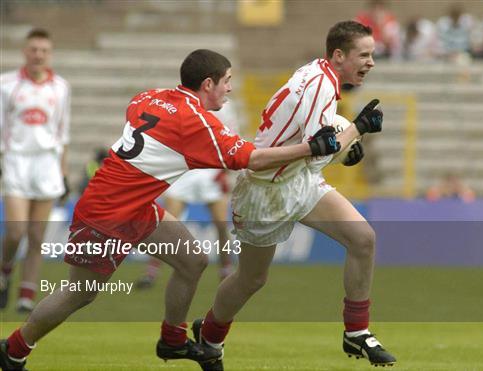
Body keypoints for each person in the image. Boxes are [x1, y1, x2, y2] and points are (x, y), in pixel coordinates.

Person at [0, 49, 341, 371]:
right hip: (108, 210)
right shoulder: (196, 122)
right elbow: (250, 159)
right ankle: (14, 349)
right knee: (80, 293)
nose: (230, 89)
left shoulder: (152, 96)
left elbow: (135, 111)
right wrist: (309, 147)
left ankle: (172, 339)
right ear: (208, 84)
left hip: (135, 205)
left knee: (192, 260)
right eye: (227, 81)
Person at [192, 21, 396, 371]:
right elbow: (320, 149)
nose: (371, 62)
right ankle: (209, 337)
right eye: (364, 55)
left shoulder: (321, 76)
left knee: (363, 239)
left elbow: (320, 141)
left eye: (372, 55)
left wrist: (349, 144)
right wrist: (356, 129)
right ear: (338, 55)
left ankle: (356, 331)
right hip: (265, 191)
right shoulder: (320, 84)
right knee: (251, 279)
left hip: (299, 181)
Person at [0, 28, 71, 313]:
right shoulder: (7, 85)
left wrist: (63, 174)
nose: (38, 55)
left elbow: (63, 133)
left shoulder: (61, 87)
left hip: (47, 164)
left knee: (37, 235)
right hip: (17, 160)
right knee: (16, 231)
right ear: (25, 52)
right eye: (34, 50)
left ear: (50, 54)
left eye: (44, 50)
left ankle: (25, 293)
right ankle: (5, 270)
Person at [136, 104, 241, 289]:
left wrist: (225, 170)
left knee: (221, 224)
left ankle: (226, 270)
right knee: (166, 224)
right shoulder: (184, 104)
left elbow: (232, 139)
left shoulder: (224, 107)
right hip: (184, 171)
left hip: (210, 171)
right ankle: (151, 273)